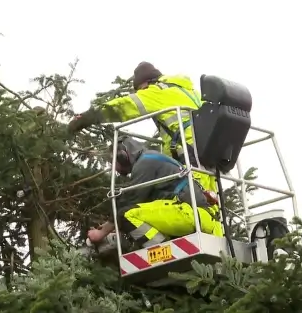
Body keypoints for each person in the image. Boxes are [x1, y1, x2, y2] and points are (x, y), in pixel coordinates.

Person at [68, 62, 218, 197]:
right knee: (210, 201)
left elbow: (124, 106)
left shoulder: (157, 91)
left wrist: (87, 117)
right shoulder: (191, 92)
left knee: (196, 199)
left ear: (146, 83)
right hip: (210, 153)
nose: (141, 93)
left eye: (140, 90)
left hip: (189, 153)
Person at [87, 136, 223, 249]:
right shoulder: (151, 158)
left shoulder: (144, 163)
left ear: (122, 156)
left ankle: (164, 249)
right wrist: (110, 226)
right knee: (133, 215)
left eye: (113, 162)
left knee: (125, 214)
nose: (114, 168)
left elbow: (131, 201)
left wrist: (101, 234)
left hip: (188, 213)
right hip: (201, 217)